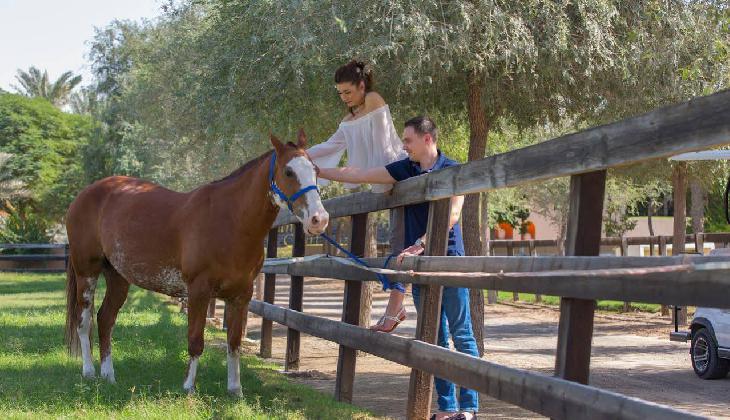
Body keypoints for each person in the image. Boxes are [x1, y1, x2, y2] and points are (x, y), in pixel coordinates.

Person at [317, 116, 479, 420]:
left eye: (408, 140)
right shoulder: (406, 168)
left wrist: (422, 241)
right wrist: (319, 170)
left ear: (427, 139)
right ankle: (448, 408)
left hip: (449, 260)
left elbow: (453, 214)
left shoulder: (453, 169)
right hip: (418, 264)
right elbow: (359, 173)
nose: (404, 146)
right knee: (435, 337)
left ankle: (469, 409)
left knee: (462, 333)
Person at [307, 59, 409, 333]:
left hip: (397, 171)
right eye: (340, 93)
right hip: (380, 179)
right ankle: (395, 308)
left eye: (348, 92)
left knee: (403, 242)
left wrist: (381, 178)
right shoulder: (348, 120)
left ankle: (395, 309)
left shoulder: (374, 100)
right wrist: (301, 154)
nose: (344, 98)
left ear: (362, 86)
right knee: (400, 242)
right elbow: (332, 144)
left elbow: (383, 145)